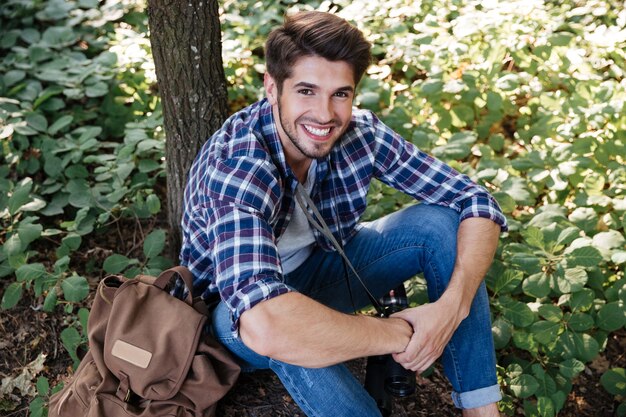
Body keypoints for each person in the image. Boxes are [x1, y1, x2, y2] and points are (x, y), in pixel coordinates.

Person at [180, 10, 507, 417]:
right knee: (288, 330)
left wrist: (449, 309)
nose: (324, 114)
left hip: (319, 271)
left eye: (340, 94)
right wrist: (399, 334)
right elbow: (265, 321)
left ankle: (482, 412)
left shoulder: (359, 133)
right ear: (271, 87)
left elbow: (475, 201)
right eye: (306, 91)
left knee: (440, 224)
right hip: (233, 316)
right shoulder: (240, 166)